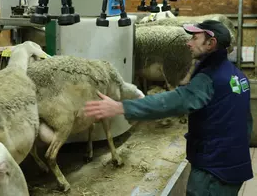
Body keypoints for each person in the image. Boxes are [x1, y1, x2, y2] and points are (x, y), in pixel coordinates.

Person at [84, 20, 253, 196]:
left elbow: (172, 102)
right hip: (233, 165)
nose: (188, 43)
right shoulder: (237, 76)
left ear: (211, 43)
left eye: (195, 38)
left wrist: (122, 107)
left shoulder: (209, 78)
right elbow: (246, 122)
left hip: (212, 172)